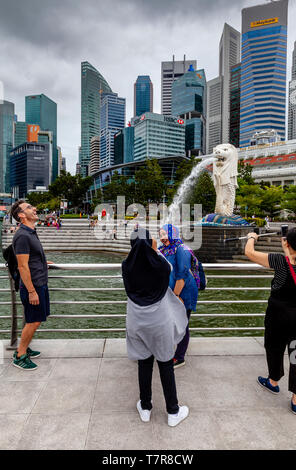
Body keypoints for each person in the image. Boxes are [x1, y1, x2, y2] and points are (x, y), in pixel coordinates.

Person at [122, 228, 189, 427]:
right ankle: (173, 411)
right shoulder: (161, 266)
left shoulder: (126, 266)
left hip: (136, 320)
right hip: (159, 321)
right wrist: (154, 248)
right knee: (166, 363)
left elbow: (135, 256)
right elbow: (167, 265)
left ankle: (145, 407)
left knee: (144, 363)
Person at [245, 229, 296, 415]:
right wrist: (289, 249)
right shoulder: (284, 259)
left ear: (287, 243)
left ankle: (273, 381)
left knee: (274, 347)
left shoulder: (280, 261)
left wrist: (252, 237)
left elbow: (249, 253)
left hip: (278, 315)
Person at [10, 200, 51, 371]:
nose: (34, 209)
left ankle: (24, 347)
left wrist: (42, 263)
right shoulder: (22, 236)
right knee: (33, 321)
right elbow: (22, 266)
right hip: (32, 286)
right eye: (28, 208)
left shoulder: (31, 232)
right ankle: (20, 355)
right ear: (21, 215)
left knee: (35, 319)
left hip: (39, 281)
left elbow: (29, 259)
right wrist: (32, 291)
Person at [159, 224, 198, 369]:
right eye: (161, 234)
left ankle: (180, 357)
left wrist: (175, 297)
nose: (163, 237)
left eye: (165, 234)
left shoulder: (181, 249)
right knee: (169, 323)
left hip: (183, 292)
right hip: (171, 293)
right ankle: (167, 350)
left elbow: (181, 275)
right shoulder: (165, 250)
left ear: (173, 234)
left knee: (182, 324)